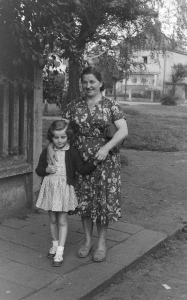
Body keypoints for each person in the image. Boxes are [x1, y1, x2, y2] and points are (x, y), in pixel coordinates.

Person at [48, 66, 128, 262]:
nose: (88, 85)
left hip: (105, 162)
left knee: (101, 202)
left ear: (100, 83)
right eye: (84, 82)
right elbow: (60, 130)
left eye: (92, 81)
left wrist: (106, 148)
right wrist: (51, 147)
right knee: (85, 202)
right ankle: (87, 241)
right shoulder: (74, 106)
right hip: (80, 160)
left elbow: (123, 131)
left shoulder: (111, 106)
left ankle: (101, 242)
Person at [35, 120, 98, 267]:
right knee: (52, 220)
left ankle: (60, 252)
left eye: (63, 137)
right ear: (51, 137)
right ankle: (55, 245)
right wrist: (46, 170)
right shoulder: (47, 151)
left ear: (68, 136)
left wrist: (94, 163)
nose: (59, 140)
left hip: (64, 190)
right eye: (56, 138)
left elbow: (81, 169)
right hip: (50, 189)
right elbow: (38, 170)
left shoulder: (72, 152)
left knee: (62, 221)